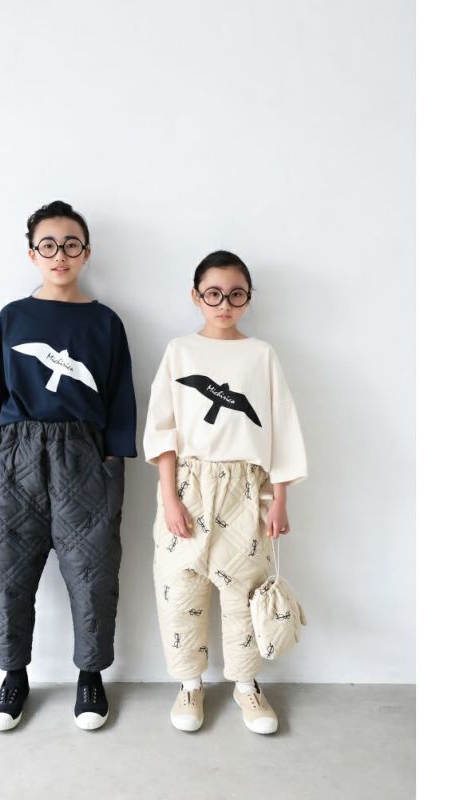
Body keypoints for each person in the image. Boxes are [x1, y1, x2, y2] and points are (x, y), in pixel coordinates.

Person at [0, 200, 136, 731]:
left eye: (70, 244)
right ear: (32, 254)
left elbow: (120, 395)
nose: (59, 254)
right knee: (8, 574)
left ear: (86, 252)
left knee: (93, 573)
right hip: (15, 453)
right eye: (48, 245)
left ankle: (91, 676)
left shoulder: (105, 322)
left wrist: (112, 457)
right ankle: (13, 676)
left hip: (85, 454)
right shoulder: (13, 317)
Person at [142, 250, 307, 734]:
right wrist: (170, 498)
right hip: (188, 483)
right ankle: (189, 684)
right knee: (180, 586)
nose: (224, 304)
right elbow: (162, 428)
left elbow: (281, 429)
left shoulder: (261, 355)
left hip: (246, 488)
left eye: (236, 294)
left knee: (244, 591)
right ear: (195, 297)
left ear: (248, 298)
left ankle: (246, 686)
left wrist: (280, 498)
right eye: (213, 294)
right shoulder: (180, 351)